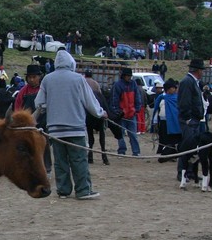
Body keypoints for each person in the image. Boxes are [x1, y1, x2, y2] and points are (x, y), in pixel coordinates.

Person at [35, 51, 105, 200]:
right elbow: (89, 101)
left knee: (60, 161)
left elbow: (39, 103)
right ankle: (83, 190)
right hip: (75, 127)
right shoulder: (78, 79)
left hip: (55, 129)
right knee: (79, 159)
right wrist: (100, 112)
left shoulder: (47, 79)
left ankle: (63, 190)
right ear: (71, 63)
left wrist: (52, 105)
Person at [177, 58, 206, 180]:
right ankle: (182, 172)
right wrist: (187, 118)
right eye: (202, 70)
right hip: (189, 120)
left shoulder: (192, 82)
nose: (203, 73)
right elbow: (184, 102)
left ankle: (191, 171)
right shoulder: (187, 82)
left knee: (194, 148)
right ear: (198, 71)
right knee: (186, 146)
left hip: (195, 119)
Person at [110, 68, 142, 157]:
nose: (129, 78)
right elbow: (114, 100)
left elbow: (137, 97)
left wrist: (137, 109)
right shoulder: (118, 85)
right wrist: (117, 112)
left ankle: (136, 151)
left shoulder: (133, 84)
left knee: (133, 134)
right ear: (123, 76)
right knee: (121, 135)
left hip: (132, 114)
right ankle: (122, 151)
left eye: (130, 76)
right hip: (122, 115)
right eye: (127, 76)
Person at [151, 79, 181, 161]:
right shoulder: (161, 97)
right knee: (164, 139)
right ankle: (165, 154)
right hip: (164, 122)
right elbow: (156, 110)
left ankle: (174, 155)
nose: (174, 89)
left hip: (175, 122)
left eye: (175, 88)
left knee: (174, 139)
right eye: (173, 88)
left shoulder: (177, 98)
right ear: (168, 89)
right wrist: (155, 121)